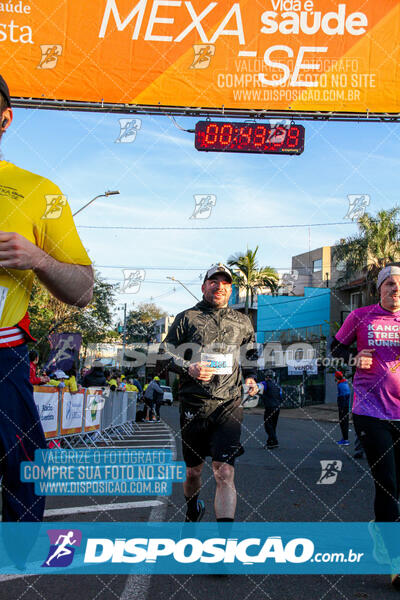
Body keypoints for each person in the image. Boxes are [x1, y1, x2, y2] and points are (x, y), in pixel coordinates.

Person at [0, 74, 93, 522]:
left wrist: (38, 258)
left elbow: (84, 290)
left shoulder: (40, 191)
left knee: (24, 474)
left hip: (3, 358)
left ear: (5, 119)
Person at [158, 263, 258, 523]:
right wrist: (187, 367)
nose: (219, 286)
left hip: (229, 404)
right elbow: (163, 353)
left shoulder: (242, 321)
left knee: (224, 472)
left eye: (225, 282)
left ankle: (222, 545)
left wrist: (251, 376)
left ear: (231, 289)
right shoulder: (186, 318)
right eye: (214, 281)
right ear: (204, 287)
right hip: (194, 405)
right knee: (193, 472)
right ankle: (192, 511)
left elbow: (250, 355)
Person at [331, 264, 400, 589]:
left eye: (399, 284)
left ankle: (382, 530)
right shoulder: (360, 317)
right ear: (379, 289)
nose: (395, 289)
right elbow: (333, 352)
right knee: (388, 483)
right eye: (389, 284)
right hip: (370, 411)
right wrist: (352, 360)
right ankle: (396, 562)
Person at [258, 370, 282, 449]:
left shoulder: (265, 383)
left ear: (267, 377)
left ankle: (274, 441)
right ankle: (270, 442)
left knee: (268, 425)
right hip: (277, 407)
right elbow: (280, 396)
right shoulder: (277, 385)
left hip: (270, 407)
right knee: (273, 425)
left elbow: (257, 388)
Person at [334, 371, 351, 446]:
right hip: (346, 406)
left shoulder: (341, 385)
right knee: (345, 422)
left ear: (337, 377)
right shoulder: (344, 383)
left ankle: (345, 440)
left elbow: (343, 397)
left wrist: (341, 408)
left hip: (343, 407)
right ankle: (344, 438)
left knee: (343, 423)